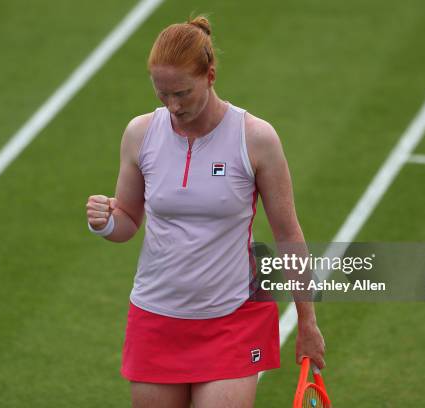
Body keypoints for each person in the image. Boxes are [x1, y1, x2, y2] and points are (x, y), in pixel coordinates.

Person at [86, 15, 325, 408]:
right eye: (162, 95)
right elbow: (127, 221)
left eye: (182, 93)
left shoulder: (255, 139)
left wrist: (308, 323)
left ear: (210, 75)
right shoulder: (140, 134)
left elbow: (288, 234)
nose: (173, 106)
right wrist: (105, 221)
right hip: (156, 318)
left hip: (231, 318)